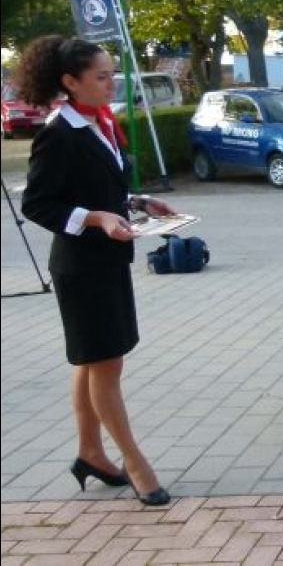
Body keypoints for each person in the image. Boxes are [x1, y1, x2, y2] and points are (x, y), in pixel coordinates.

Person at [16, 36, 173, 505]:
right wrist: (98, 218)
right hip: (80, 269)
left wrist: (137, 203)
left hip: (105, 262)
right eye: (102, 76)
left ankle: (90, 452)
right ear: (70, 82)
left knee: (97, 361)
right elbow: (38, 204)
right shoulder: (57, 132)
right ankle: (135, 461)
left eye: (112, 73)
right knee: (104, 364)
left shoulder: (96, 123)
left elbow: (96, 188)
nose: (112, 83)